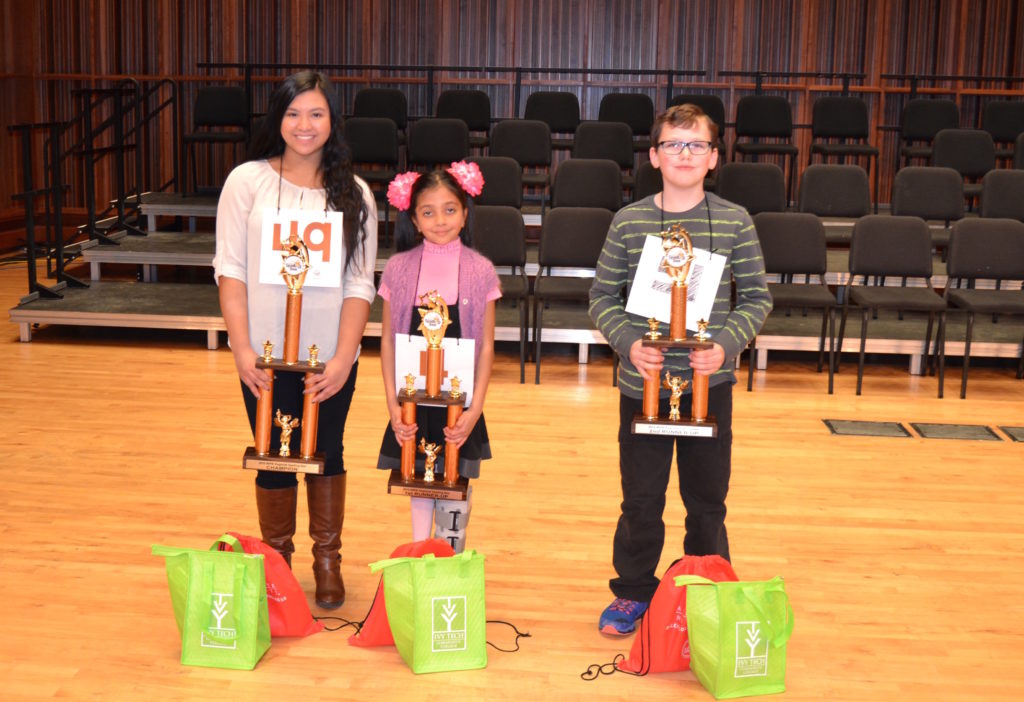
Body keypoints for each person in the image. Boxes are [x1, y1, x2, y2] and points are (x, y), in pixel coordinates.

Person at [588, 103, 772, 636]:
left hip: (707, 385)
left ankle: (704, 587)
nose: (684, 154)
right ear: (654, 156)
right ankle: (633, 594)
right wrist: (627, 344)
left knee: (706, 500)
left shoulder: (735, 220)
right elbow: (601, 296)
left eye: (696, 145)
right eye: (673, 144)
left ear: (714, 157)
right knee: (641, 500)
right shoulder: (629, 220)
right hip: (640, 385)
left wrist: (725, 346)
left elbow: (757, 298)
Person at [213, 70, 377, 609]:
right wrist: (240, 347)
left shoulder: (354, 194)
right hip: (262, 353)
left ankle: (327, 560)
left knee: (327, 450)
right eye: (292, 113)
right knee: (273, 453)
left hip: (327, 354)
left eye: (316, 114)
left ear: (333, 121)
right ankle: (277, 562)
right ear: (276, 119)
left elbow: (360, 281)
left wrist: (345, 357)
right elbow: (230, 270)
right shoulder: (246, 181)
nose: (304, 126)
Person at [376, 162, 498, 553]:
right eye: (428, 211)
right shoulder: (398, 268)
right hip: (414, 401)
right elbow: (388, 344)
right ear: (413, 217)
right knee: (416, 474)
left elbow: (488, 347)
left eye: (450, 209)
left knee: (453, 479)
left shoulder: (480, 271)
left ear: (465, 213)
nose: (440, 220)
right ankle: (416, 552)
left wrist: (474, 409)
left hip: (458, 404)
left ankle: (449, 558)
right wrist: (394, 405)